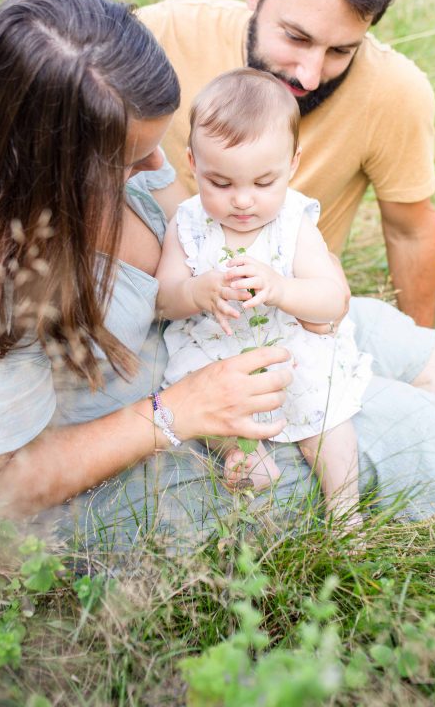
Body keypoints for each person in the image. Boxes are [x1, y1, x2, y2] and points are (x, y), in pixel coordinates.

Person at [0, 0, 435, 551]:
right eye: (128, 161)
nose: (160, 168)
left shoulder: (85, 150)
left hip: (209, 345)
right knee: (394, 431)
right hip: (131, 469)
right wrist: (180, 411)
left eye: (159, 142)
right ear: (40, 166)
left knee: (367, 330)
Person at [137, 0, 435, 433]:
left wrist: (413, 343)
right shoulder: (162, 35)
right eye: (296, 38)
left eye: (341, 51)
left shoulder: (394, 91)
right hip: (170, 335)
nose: (310, 75)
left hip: (308, 312)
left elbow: (409, 230)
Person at [157, 70, 372, 530]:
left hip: (286, 351)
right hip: (217, 351)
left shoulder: (292, 222)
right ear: (192, 163)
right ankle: (238, 452)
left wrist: (281, 288)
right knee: (198, 399)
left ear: (292, 164)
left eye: (262, 182)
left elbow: (331, 299)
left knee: (327, 418)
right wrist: (195, 291)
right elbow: (162, 300)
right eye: (220, 183)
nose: (242, 200)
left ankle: (345, 511)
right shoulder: (188, 224)